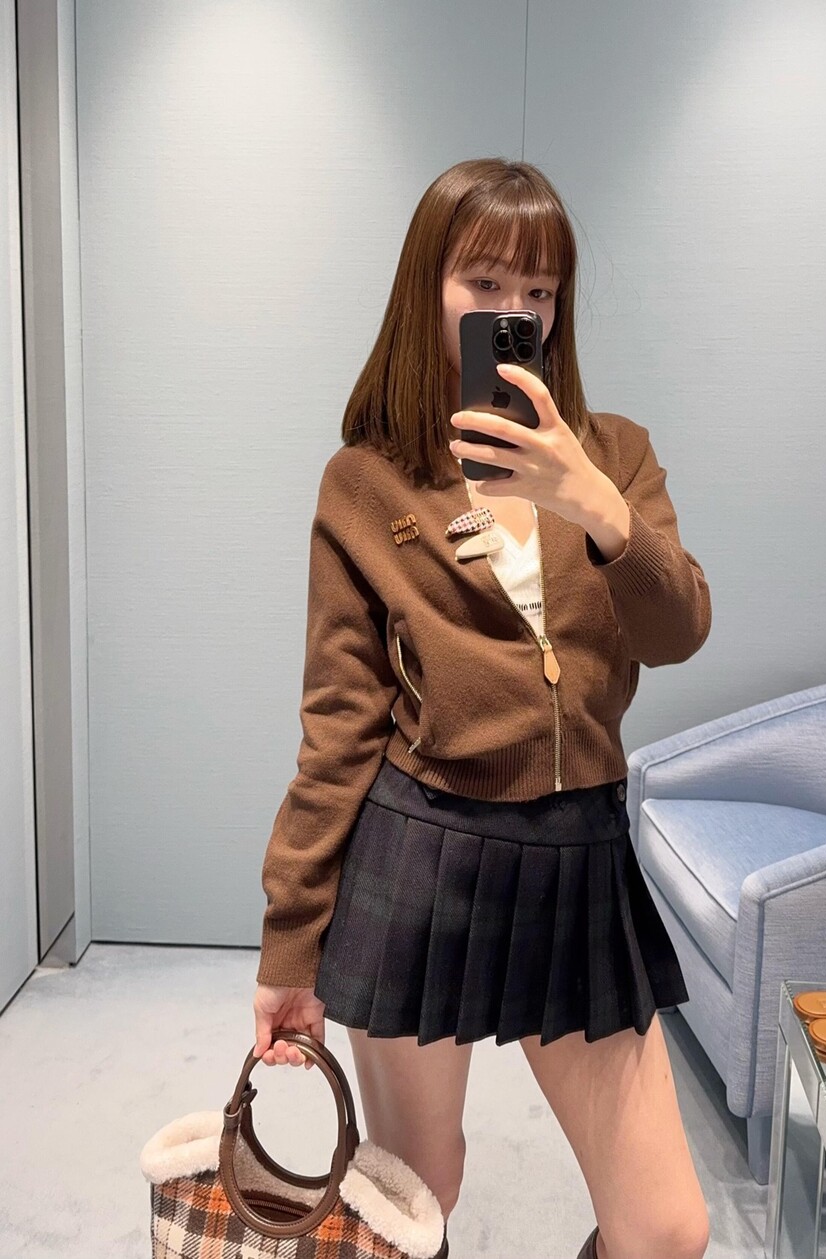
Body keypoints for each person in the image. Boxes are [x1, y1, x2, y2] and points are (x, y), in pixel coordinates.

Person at [251, 158, 712, 1259]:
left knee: (666, 1229)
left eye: (539, 291)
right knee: (419, 1193)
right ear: (429, 288)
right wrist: (288, 943)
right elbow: (339, 726)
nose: (516, 313)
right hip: (423, 859)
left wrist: (591, 504)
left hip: (578, 856)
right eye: (486, 284)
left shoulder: (615, 457)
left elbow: (679, 628)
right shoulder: (366, 482)